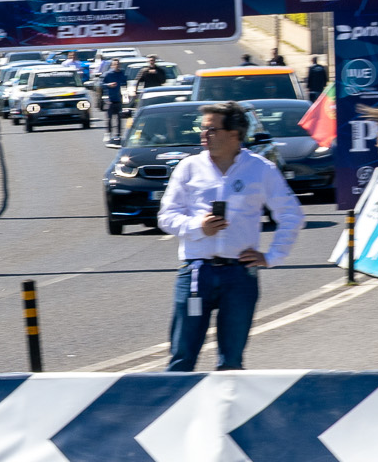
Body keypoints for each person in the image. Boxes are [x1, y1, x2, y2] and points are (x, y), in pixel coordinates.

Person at [156, 102, 302, 371]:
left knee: (231, 362)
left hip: (239, 275)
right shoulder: (189, 167)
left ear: (235, 134)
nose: (204, 135)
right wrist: (199, 227)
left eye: (212, 129)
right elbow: (166, 216)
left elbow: (291, 214)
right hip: (196, 273)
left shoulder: (260, 169)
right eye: (202, 128)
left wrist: (272, 256)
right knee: (181, 358)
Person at [97, 56, 127, 140]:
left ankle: (118, 134)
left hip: (118, 99)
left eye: (118, 64)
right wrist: (108, 85)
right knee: (109, 118)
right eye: (115, 64)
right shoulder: (108, 74)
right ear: (112, 65)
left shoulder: (121, 73)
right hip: (109, 99)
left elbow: (125, 82)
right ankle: (108, 133)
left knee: (119, 118)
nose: (117, 66)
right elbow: (100, 84)